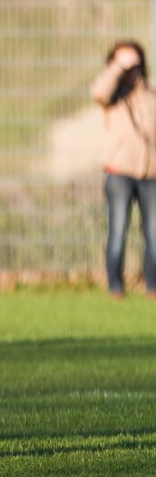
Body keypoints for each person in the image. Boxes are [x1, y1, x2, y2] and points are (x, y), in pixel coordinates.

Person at [90, 39, 156, 299]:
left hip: (152, 174)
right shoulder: (112, 96)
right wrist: (119, 65)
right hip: (120, 172)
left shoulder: (151, 95)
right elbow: (98, 91)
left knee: (154, 234)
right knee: (117, 231)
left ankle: (153, 285)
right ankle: (115, 286)